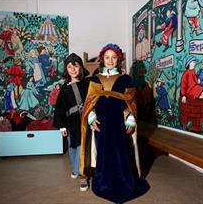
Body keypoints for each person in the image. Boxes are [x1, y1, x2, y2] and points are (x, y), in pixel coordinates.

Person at [80, 43, 150, 204]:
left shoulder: (126, 79)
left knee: (121, 152)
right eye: (107, 57)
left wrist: (130, 118)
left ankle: (124, 183)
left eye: (114, 57)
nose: (110, 60)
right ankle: (104, 183)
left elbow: (131, 102)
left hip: (119, 123)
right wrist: (91, 117)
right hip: (101, 124)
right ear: (102, 59)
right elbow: (89, 102)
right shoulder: (95, 79)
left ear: (118, 59)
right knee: (103, 152)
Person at [53, 53, 90, 192]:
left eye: (76, 66)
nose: (73, 69)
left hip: (85, 121)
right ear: (66, 69)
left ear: (81, 67)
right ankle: (75, 169)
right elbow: (60, 108)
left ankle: (82, 175)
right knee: (72, 147)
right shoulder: (64, 88)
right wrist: (61, 125)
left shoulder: (87, 83)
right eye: (69, 67)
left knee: (81, 148)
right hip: (70, 122)